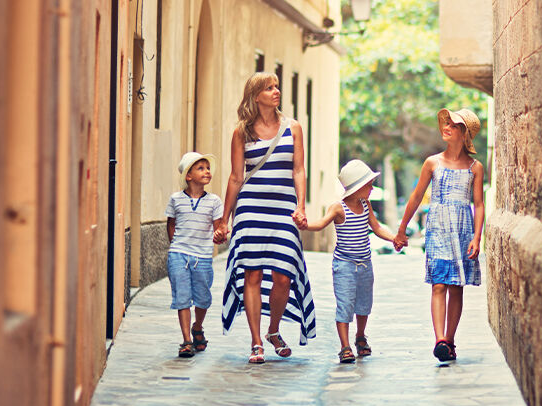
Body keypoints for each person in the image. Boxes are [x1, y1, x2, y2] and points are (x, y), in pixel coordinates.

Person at [214, 72, 316, 364]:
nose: (276, 91)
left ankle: (273, 330)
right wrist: (225, 220)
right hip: (250, 210)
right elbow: (236, 177)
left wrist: (301, 205)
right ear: (255, 95)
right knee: (253, 274)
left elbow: (298, 170)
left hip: (284, 210)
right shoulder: (241, 132)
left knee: (284, 276)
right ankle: (256, 341)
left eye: (276, 87)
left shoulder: (293, 128)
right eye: (269, 88)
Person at [394, 108, 484, 362]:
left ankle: (450, 341)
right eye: (446, 123)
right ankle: (440, 340)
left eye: (454, 125)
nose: (446, 127)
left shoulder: (475, 168)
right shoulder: (432, 163)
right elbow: (415, 197)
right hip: (438, 229)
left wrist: (477, 237)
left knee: (457, 287)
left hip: (463, 230)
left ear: (464, 133)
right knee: (439, 283)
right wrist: (402, 230)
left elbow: (479, 205)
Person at [306, 159, 397, 363]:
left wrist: (394, 239)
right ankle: (345, 346)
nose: (372, 188)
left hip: (365, 264)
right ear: (357, 187)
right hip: (344, 266)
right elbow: (321, 223)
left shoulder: (366, 204)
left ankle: (360, 336)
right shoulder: (338, 208)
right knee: (345, 304)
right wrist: (304, 225)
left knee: (364, 304)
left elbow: (376, 227)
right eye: (369, 185)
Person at [165, 152, 223, 358]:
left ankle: (198, 327)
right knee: (182, 297)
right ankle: (186, 340)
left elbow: (218, 228)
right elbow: (171, 225)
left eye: (208, 168)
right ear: (188, 176)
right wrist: (176, 246)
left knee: (202, 298)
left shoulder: (215, 201)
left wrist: (220, 235)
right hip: (179, 254)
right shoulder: (176, 199)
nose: (207, 171)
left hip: (203, 256)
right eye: (201, 168)